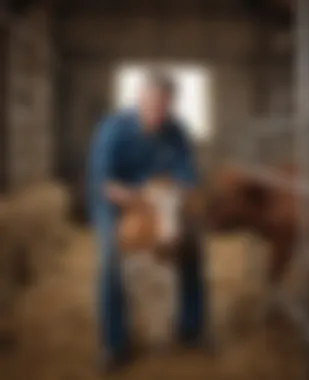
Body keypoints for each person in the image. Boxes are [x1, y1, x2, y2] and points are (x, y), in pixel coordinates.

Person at [87, 71, 206, 372]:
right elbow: (103, 181)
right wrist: (131, 197)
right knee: (111, 260)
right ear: (139, 97)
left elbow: (187, 174)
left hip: (161, 201)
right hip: (118, 203)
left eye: (165, 107)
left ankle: (191, 329)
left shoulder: (176, 129)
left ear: (172, 104)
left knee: (192, 247)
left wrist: (177, 195)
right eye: (152, 104)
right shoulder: (113, 128)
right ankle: (114, 345)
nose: (158, 113)